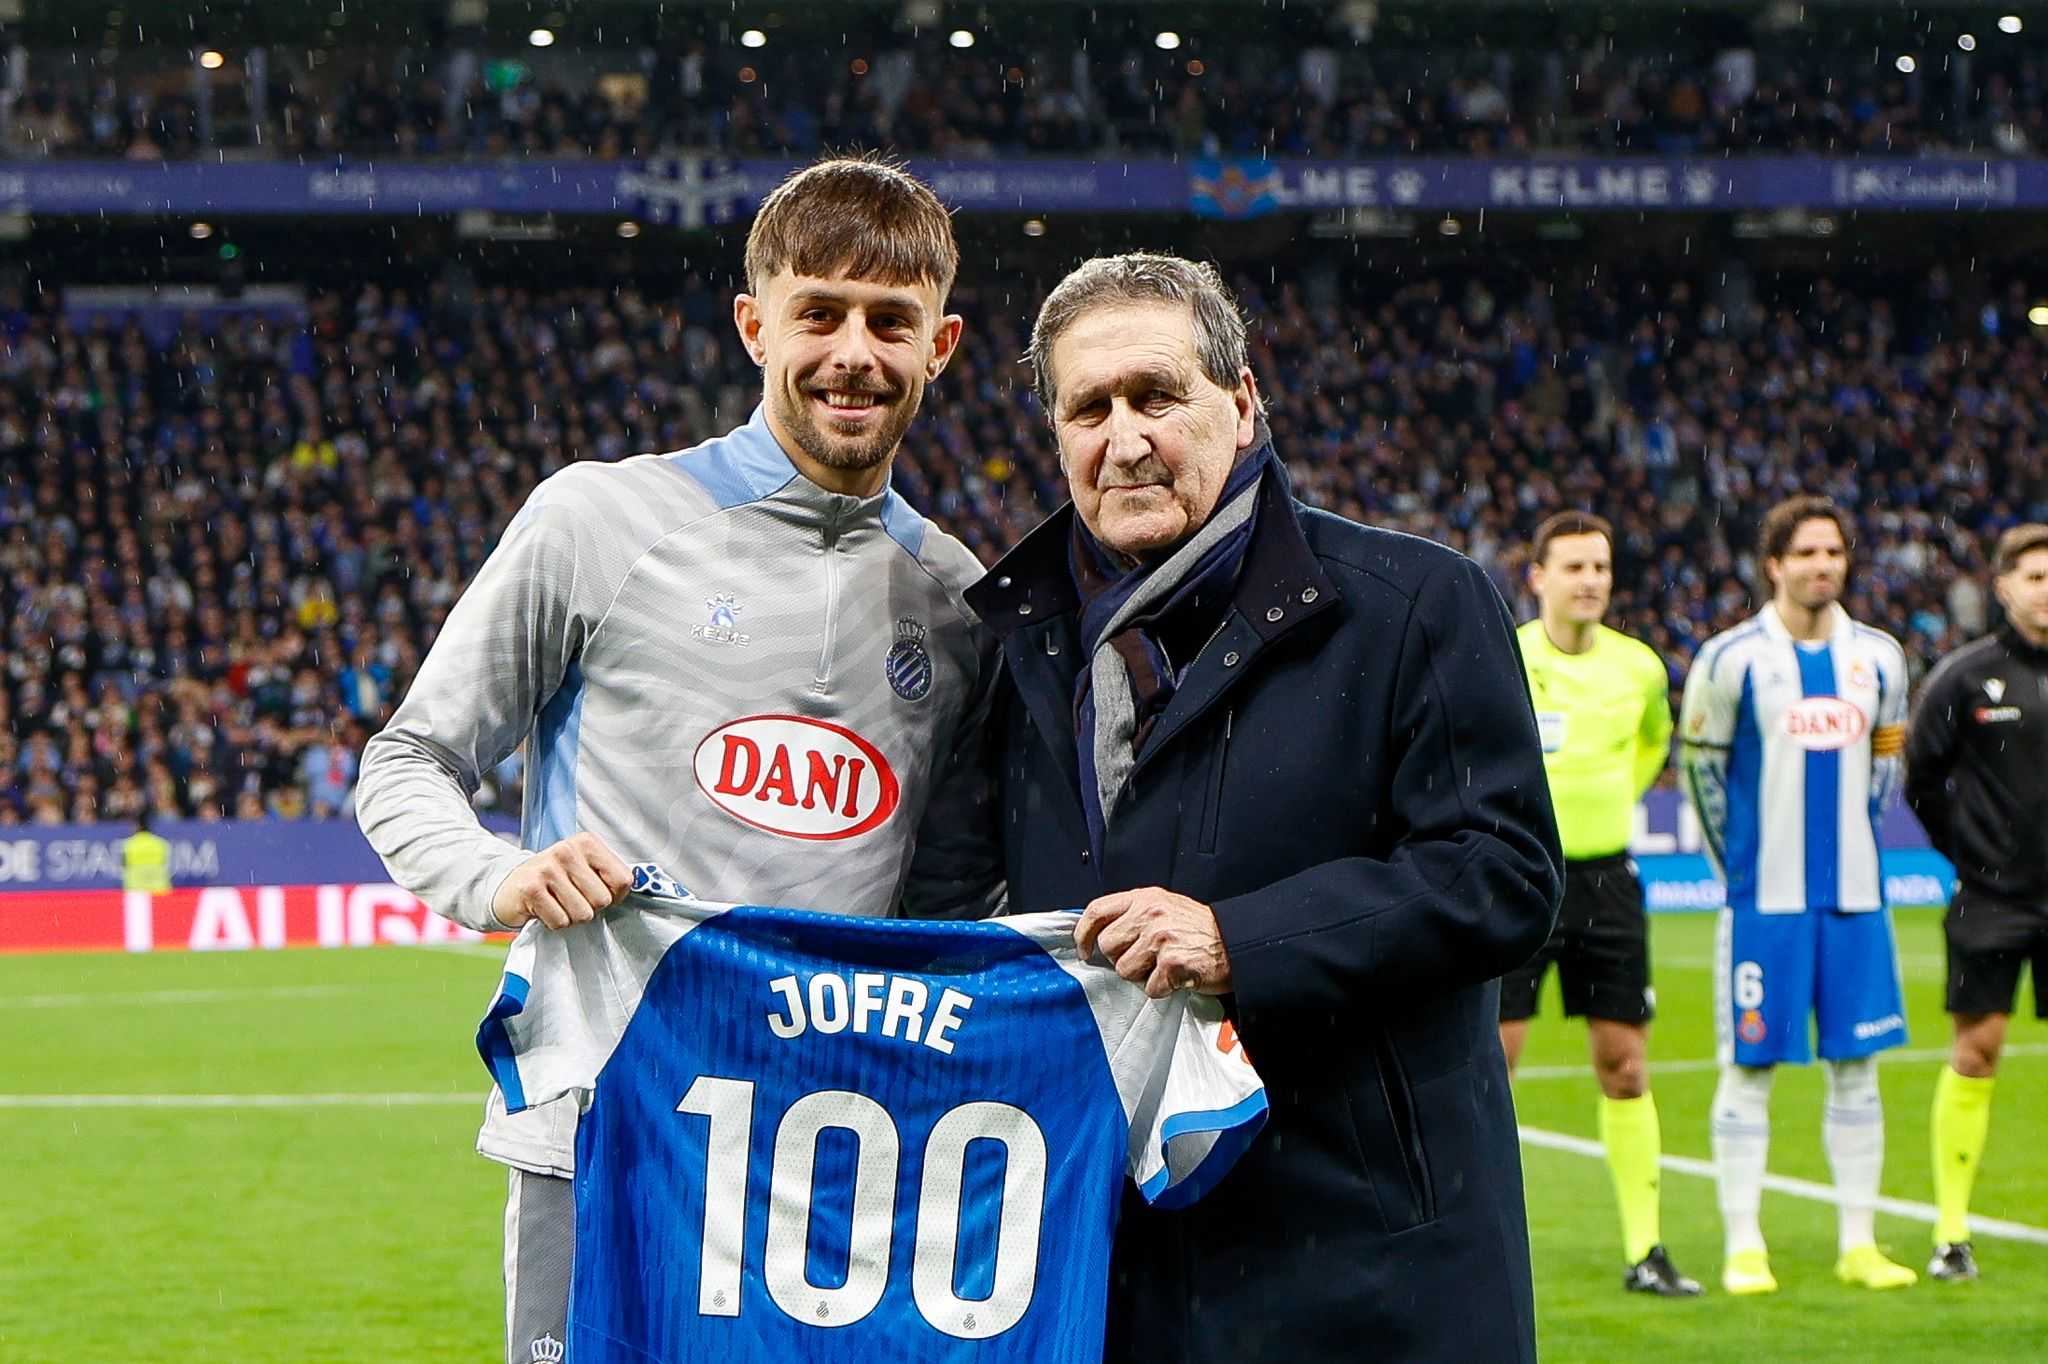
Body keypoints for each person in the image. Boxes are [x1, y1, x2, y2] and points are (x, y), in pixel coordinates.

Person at [354, 156, 1002, 1364]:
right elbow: (407, 757)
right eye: (817, 314)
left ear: (940, 345)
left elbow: (956, 891)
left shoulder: (960, 603)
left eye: (889, 322)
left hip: (839, 1154)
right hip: (611, 1130)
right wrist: (498, 875)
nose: (851, 354)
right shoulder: (598, 520)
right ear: (755, 326)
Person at [964, 252, 1562, 1363]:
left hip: (1364, 1272)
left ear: (1240, 405)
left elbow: (1502, 873)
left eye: (1155, 395)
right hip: (1108, 1265)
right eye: (1088, 408)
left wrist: (1238, 938)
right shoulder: (1019, 646)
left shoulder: (1412, 603)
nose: (1124, 439)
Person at [1679, 494, 1916, 1296]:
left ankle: (1860, 1242)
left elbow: (1885, 765)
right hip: (1765, 904)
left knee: (1858, 1069)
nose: (1823, 566)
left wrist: (1860, 845)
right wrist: (1738, 873)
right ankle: (1745, 1245)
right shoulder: (1730, 659)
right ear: (1774, 564)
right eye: (1807, 552)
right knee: (1750, 1069)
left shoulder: (1881, 657)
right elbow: (1701, 774)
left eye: (1834, 552)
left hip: (1854, 900)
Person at [1499, 510, 1699, 1296]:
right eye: (1574, 567)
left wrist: (1610, 799)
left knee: (1624, 1066)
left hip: (1610, 882)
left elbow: (1653, 743)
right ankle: (1481, 1246)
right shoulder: (1507, 655)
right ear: (1538, 577)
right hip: (1520, 877)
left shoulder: (1639, 668)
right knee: (1492, 1065)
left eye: (1600, 568)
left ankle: (1646, 1249)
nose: (1590, 581)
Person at [1904, 522, 2048, 1283]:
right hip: (1991, 899)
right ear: (2003, 586)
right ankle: (1951, 1233)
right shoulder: (1964, 676)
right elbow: (1921, 778)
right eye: (2035, 577)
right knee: (1976, 1052)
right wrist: (1970, 853)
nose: (2046, 591)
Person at [120, 807, 172, 895]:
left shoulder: (128, 845)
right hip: (159, 891)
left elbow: (124, 867)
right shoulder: (161, 843)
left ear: (138, 825)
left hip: (136, 892)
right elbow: (166, 866)